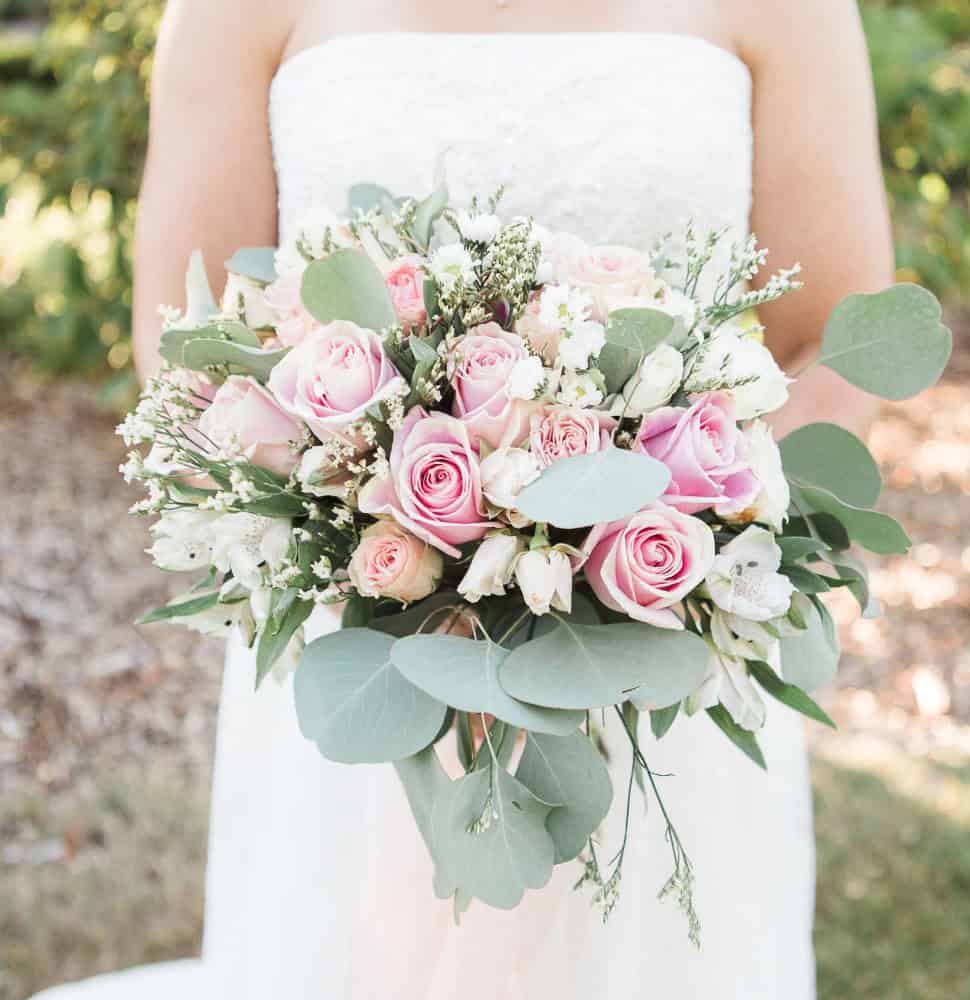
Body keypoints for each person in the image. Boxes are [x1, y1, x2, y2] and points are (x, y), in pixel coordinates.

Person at [36, 1, 892, 997]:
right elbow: (183, 362)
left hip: (658, 666)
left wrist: (627, 547)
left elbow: (834, 348)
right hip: (363, 659)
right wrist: (387, 521)